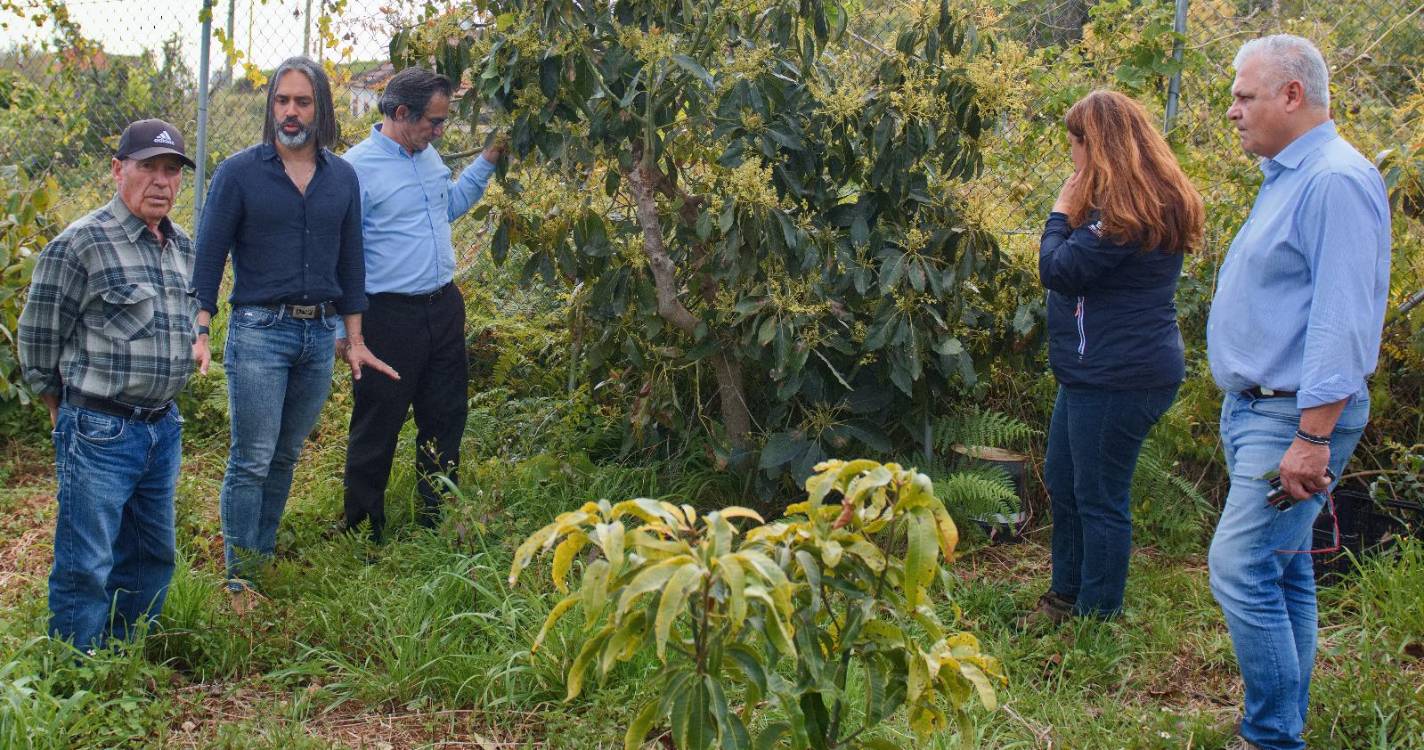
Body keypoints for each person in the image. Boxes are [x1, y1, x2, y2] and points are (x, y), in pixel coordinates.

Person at [1206, 35, 1390, 750]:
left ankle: (1271, 736)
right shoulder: (1287, 175)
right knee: (1281, 573)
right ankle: (1279, 729)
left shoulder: (1334, 180)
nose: (1232, 111)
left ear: (1292, 94)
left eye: (1244, 96)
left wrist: (1312, 436)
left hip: (1293, 415)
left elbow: (1341, 320)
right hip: (1259, 408)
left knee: (1239, 565)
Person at [192, 57, 396, 607]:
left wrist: (354, 339)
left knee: (284, 456)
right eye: (281, 101)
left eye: (301, 101)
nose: (290, 111)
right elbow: (209, 255)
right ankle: (239, 581)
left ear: (320, 107)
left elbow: (352, 264)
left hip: (316, 337)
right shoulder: (239, 173)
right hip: (259, 333)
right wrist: (202, 326)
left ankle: (258, 557)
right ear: (270, 107)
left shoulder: (342, 178)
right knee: (252, 457)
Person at [1022, 90, 1204, 628]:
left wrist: (1059, 212)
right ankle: (1065, 597)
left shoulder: (1126, 215)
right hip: (1093, 372)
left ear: (1097, 146)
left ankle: (1096, 618)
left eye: (1075, 143)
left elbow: (1059, 269)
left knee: (1099, 497)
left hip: (1119, 376)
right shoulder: (1134, 202)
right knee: (1065, 479)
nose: (1071, 156)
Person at [18, 119, 202, 650]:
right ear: (118, 170)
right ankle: (75, 667)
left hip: (161, 428)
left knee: (151, 553)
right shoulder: (80, 245)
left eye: (172, 171)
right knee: (86, 560)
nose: (162, 182)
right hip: (99, 427)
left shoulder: (182, 247)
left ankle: (127, 655)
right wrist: (64, 410)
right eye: (148, 167)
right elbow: (37, 340)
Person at [340, 66, 504, 541]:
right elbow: (338, 254)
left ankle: (435, 516)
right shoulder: (356, 170)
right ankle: (362, 526)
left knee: (446, 413)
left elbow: (447, 206)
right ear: (401, 113)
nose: (440, 131)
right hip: (387, 315)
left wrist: (488, 161)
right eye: (434, 121)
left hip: (443, 306)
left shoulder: (428, 157)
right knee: (378, 420)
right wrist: (343, 333)